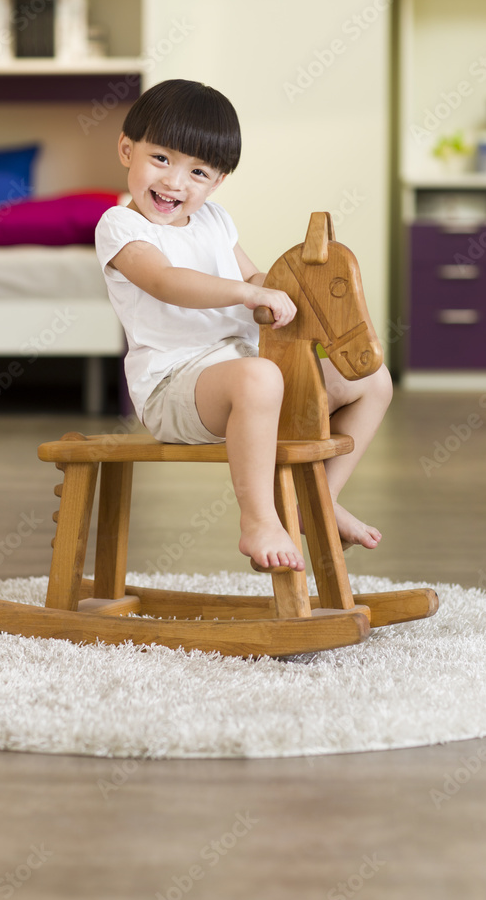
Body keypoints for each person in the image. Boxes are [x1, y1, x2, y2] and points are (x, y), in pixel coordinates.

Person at [95, 78, 392, 574]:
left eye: (198, 172)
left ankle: (316, 499)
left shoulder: (214, 220)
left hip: (249, 374)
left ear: (217, 183)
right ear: (128, 150)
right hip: (175, 389)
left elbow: (253, 275)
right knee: (260, 377)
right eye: (161, 159)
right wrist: (248, 293)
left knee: (371, 380)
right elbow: (167, 281)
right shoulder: (121, 228)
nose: (175, 183)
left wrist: (286, 295)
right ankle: (258, 519)